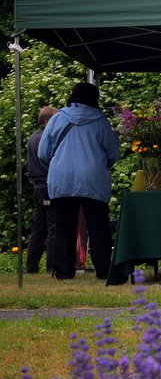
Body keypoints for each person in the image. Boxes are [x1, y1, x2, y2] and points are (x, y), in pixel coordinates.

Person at [39, 83, 120, 280]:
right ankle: (103, 270)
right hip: (93, 177)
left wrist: (58, 163)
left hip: (62, 178)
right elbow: (113, 152)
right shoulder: (101, 121)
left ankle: (63, 272)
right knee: (98, 226)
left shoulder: (57, 118)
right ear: (95, 98)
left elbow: (43, 153)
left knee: (63, 226)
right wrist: (98, 164)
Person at [25, 106, 59, 273]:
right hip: (48, 186)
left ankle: (31, 266)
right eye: (56, 118)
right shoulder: (47, 138)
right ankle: (52, 267)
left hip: (38, 187)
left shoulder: (33, 138)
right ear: (47, 122)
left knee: (38, 228)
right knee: (53, 226)